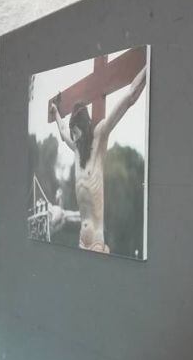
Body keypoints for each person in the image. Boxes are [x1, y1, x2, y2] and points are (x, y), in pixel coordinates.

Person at [49, 66, 147, 253]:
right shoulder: (78, 150)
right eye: (73, 134)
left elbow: (129, 98)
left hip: (96, 240)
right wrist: (55, 113)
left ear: (84, 127)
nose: (74, 138)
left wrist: (147, 68)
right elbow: (62, 132)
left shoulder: (100, 137)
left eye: (76, 133)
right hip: (81, 238)